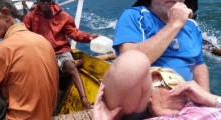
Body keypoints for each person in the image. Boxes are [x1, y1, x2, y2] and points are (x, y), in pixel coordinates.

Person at [113, 0, 209, 91]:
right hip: (146, 99)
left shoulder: (192, 25)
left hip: (187, 98)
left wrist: (205, 99)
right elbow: (131, 65)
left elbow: (198, 66)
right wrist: (175, 24)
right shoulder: (134, 16)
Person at [23, 0, 98, 110]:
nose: (45, 3)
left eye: (47, 0)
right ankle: (41, 107)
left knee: (71, 67)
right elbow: (23, 34)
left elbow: (74, 33)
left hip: (60, 51)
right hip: (41, 54)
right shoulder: (30, 17)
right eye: (42, 0)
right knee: (37, 77)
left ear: (52, 1)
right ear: (38, 2)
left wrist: (88, 37)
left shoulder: (63, 17)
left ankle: (84, 101)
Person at [92, 50, 221, 120]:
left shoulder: (201, 104)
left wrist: (210, 98)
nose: (183, 88)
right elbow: (131, 63)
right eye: (171, 81)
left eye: (183, 83)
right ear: (149, 96)